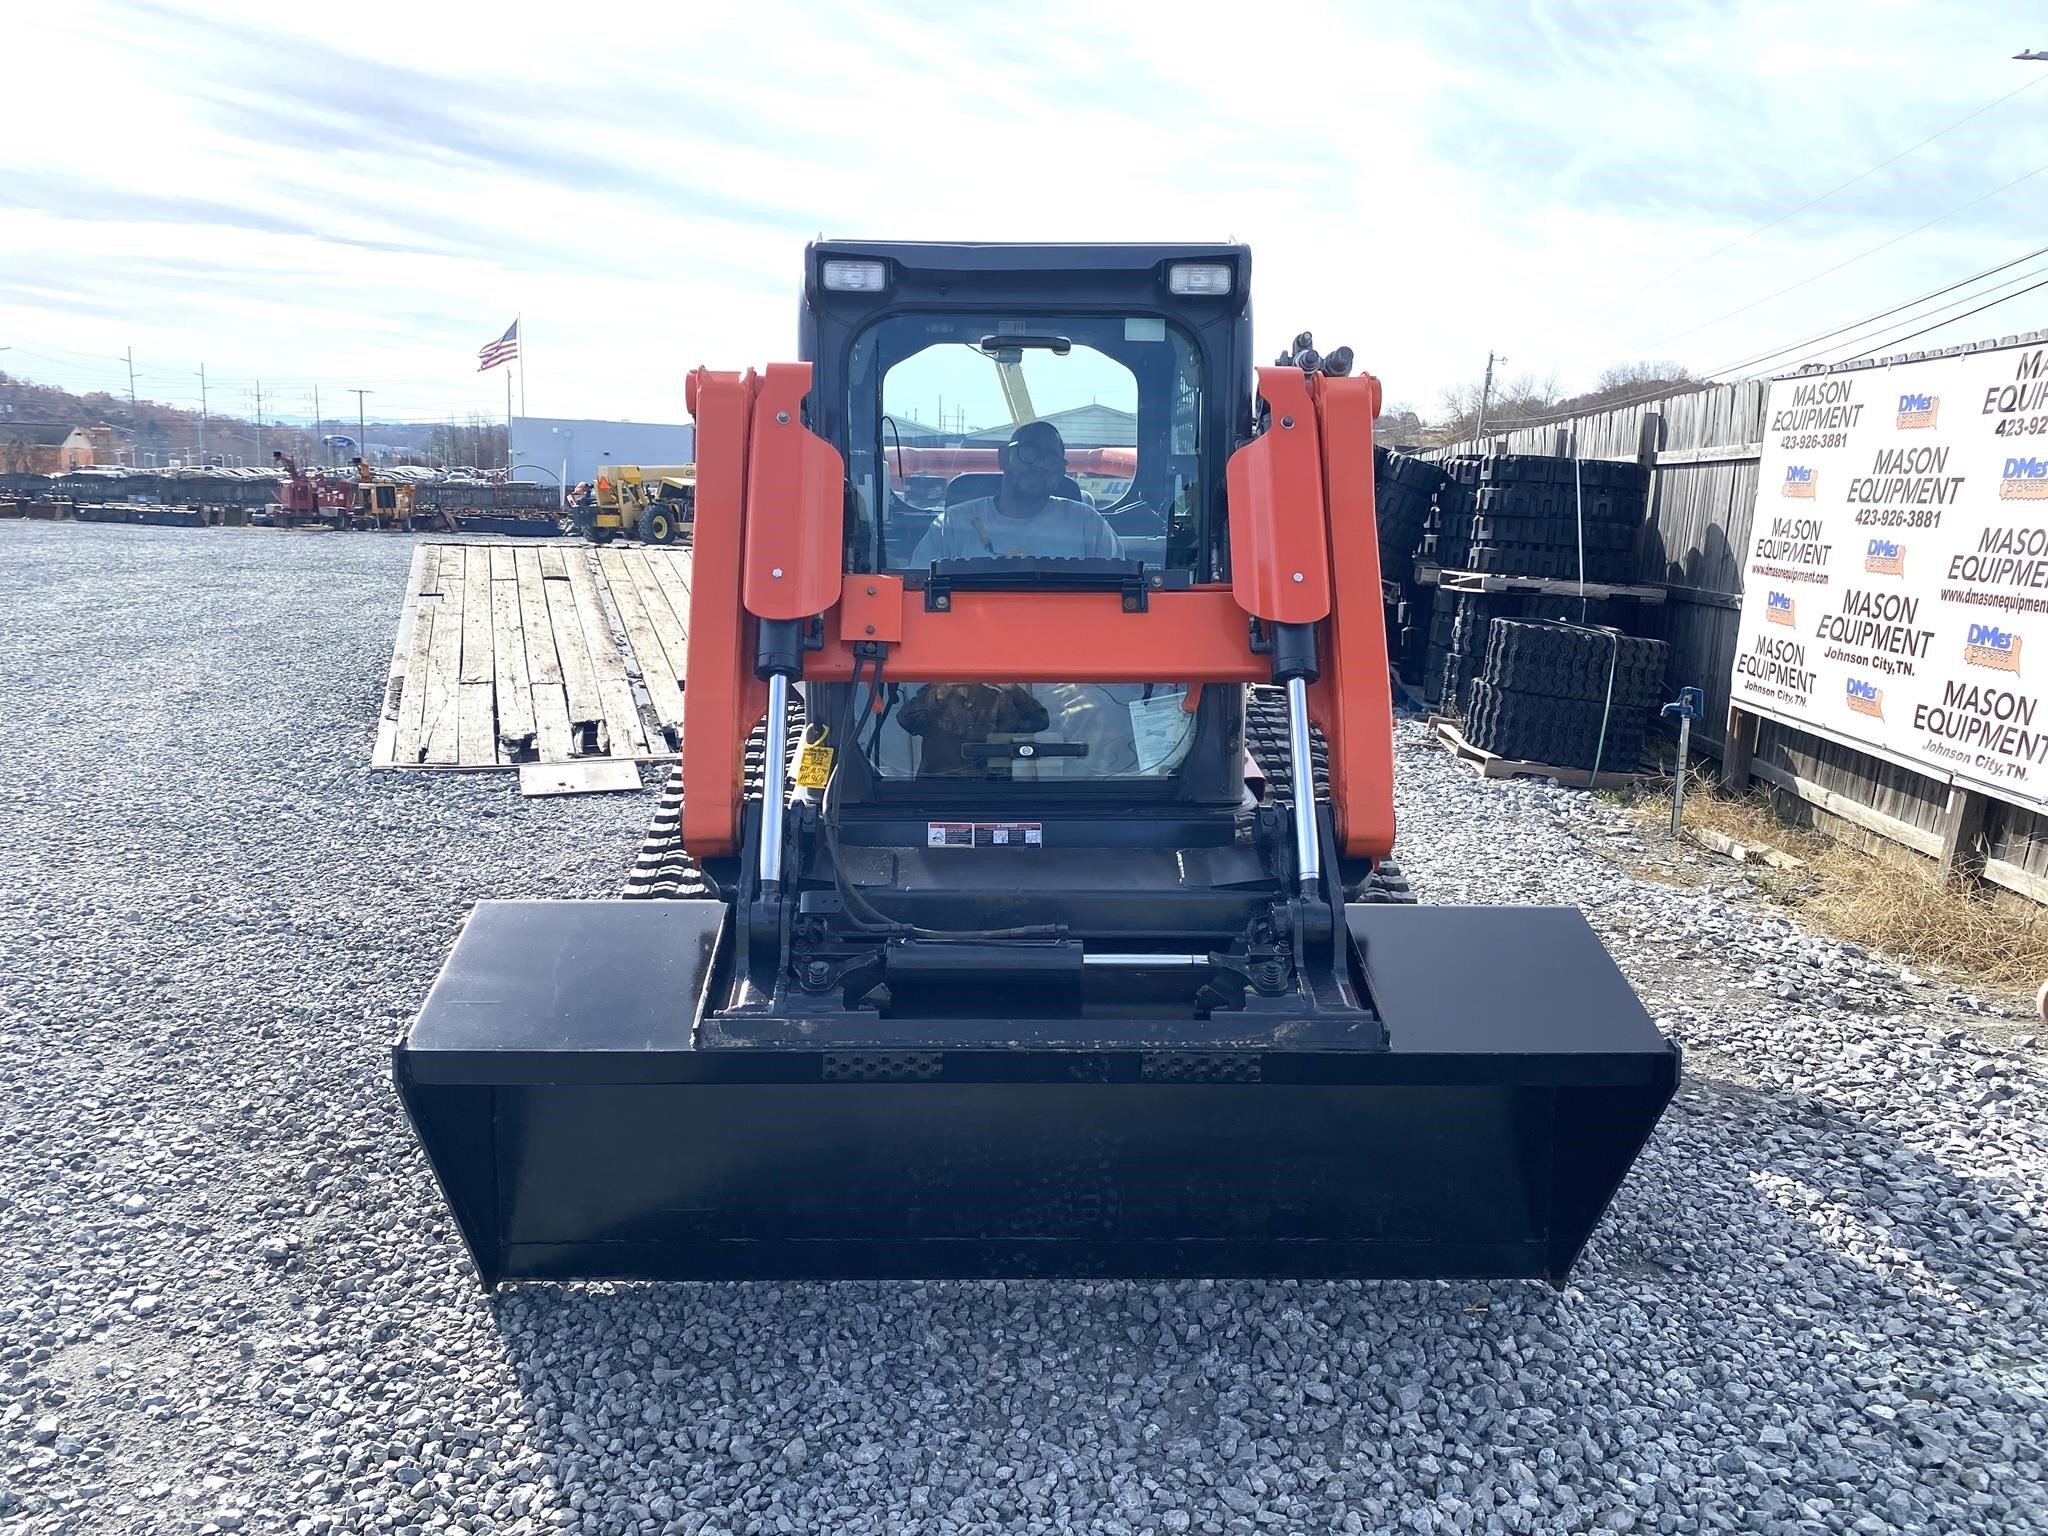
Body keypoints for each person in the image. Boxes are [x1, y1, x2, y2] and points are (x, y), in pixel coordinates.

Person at [908, 421, 1123, 563]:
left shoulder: (1089, 526)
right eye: (1028, 452)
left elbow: (1119, 593)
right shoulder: (951, 525)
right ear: (1004, 457)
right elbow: (917, 592)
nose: (1038, 465)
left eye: (1050, 460)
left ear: (1060, 473)